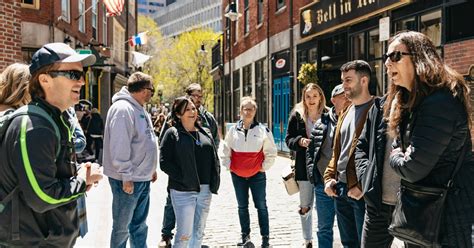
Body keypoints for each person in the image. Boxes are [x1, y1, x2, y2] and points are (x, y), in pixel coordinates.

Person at [0, 43, 103, 247]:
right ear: (45, 79)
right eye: (73, 74)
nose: (82, 81)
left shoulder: (53, 118)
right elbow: (42, 197)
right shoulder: (34, 126)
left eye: (82, 73)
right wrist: (82, 180)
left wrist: (80, 176)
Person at [384, 31, 474, 247]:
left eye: (395, 56)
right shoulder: (413, 100)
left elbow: (412, 168)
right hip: (424, 216)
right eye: (386, 57)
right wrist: (399, 150)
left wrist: (394, 155)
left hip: (448, 218)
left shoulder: (439, 103)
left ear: (419, 57)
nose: (388, 63)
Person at [159, 83, 220, 247]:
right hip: (183, 190)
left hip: (205, 189)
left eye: (194, 109)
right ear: (178, 114)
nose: (193, 112)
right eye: (188, 110)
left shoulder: (205, 132)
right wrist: (183, 177)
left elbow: (214, 152)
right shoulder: (172, 133)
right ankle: (165, 233)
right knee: (184, 234)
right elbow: (164, 162)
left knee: (199, 231)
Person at [102, 72, 158, 248]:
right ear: (143, 90)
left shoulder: (139, 108)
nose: (152, 93)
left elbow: (144, 140)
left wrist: (151, 169)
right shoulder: (123, 109)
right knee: (122, 228)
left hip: (142, 178)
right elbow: (120, 146)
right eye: (152, 90)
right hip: (128, 181)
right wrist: (126, 175)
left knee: (139, 226)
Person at [323, 60, 374, 248]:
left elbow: (378, 155)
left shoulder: (377, 109)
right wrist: (329, 177)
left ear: (364, 81)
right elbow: (338, 152)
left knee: (366, 244)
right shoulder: (346, 111)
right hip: (341, 189)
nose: (344, 86)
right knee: (348, 243)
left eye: (348, 80)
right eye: (343, 81)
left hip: (362, 193)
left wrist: (362, 185)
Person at [222, 96, 278, 248]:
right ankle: (245, 236)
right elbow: (226, 150)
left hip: (257, 176)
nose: (248, 112)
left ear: (255, 111)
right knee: (242, 206)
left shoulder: (262, 130)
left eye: (251, 109)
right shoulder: (232, 130)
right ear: (240, 111)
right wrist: (229, 166)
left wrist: (263, 167)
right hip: (237, 176)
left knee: (261, 205)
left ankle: (265, 239)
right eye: (245, 109)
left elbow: (271, 151)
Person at [306, 84, 350, 248]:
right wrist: (316, 178)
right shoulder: (322, 123)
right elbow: (312, 152)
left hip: (347, 184)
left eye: (348, 96)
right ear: (333, 100)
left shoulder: (355, 120)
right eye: (342, 96)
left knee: (348, 229)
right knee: (324, 228)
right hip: (324, 184)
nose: (347, 99)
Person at [354, 91, 400, 248]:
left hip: (414, 206)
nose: (387, 64)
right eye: (388, 63)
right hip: (378, 204)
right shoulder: (380, 105)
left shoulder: (425, 103)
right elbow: (361, 146)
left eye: (395, 63)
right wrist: (366, 178)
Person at [285, 83, 327, 248]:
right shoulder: (297, 115)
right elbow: (288, 139)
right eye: (308, 96)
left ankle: (323, 237)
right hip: (303, 168)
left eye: (314, 96)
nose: (311, 100)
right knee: (305, 206)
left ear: (320, 97)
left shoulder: (328, 115)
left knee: (324, 207)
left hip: (324, 167)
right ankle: (307, 239)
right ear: (304, 98)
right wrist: (299, 141)